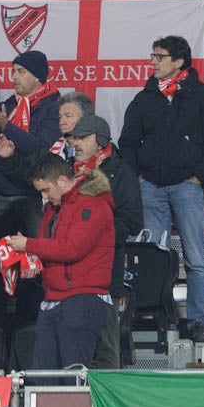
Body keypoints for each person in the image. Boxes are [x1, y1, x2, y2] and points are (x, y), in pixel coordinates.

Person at [119, 35, 204, 343]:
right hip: (150, 188)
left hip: (186, 187)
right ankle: (155, 317)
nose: (153, 61)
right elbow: (127, 143)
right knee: (155, 259)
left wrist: (198, 176)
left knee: (194, 259)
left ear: (179, 62)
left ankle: (196, 323)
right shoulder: (144, 99)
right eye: (152, 55)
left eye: (159, 56)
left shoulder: (202, 97)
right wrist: (139, 177)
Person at [9, 155, 116, 371]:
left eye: (46, 190)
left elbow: (72, 248)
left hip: (82, 299)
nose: (44, 197)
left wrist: (29, 244)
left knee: (73, 375)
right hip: (53, 299)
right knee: (44, 375)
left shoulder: (93, 205)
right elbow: (51, 248)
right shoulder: (53, 209)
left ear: (61, 181)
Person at [68, 113, 142, 293]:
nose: (75, 143)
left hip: (105, 269)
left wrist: (94, 239)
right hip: (68, 269)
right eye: (74, 138)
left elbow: (131, 221)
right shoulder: (66, 170)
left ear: (100, 141)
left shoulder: (122, 172)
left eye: (83, 138)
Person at [0, 50, 61, 205]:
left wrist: (6, 127)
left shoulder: (54, 108)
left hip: (32, 193)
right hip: (1, 190)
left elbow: (41, 149)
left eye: (20, 72)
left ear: (37, 77)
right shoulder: (9, 105)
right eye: (13, 71)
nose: (14, 77)